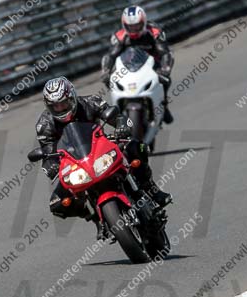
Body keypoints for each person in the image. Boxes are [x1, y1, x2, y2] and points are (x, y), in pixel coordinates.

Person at [35, 77, 171, 241]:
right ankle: (96, 219)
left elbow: (117, 117)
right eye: (55, 106)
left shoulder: (90, 102)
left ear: (72, 97)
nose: (60, 108)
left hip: (101, 147)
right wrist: (51, 165)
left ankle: (151, 189)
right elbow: (47, 152)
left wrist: (121, 126)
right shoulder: (44, 124)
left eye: (63, 103)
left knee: (136, 147)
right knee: (59, 203)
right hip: (75, 162)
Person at [100, 5, 175, 124]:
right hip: (127, 67)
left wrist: (165, 69)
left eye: (137, 25)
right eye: (130, 26)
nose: (134, 29)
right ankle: (118, 111)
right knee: (108, 80)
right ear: (124, 25)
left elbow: (165, 53)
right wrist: (105, 71)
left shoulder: (155, 32)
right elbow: (110, 55)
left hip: (152, 66)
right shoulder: (119, 36)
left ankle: (163, 106)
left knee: (166, 80)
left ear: (144, 22)